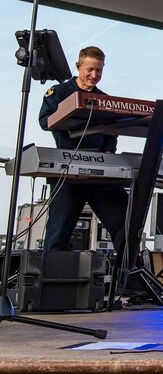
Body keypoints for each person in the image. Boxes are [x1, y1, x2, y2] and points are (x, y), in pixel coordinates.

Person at [38, 46, 129, 253]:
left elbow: (111, 132)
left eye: (99, 70)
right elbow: (45, 121)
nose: (94, 75)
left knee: (126, 224)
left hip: (100, 172)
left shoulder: (105, 99)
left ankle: (129, 279)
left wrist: (108, 151)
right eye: (90, 69)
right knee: (57, 236)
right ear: (78, 66)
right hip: (68, 172)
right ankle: (53, 281)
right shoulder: (59, 92)